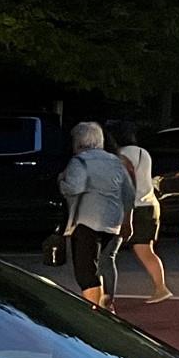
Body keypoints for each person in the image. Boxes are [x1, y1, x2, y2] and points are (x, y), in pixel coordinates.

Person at [57, 122, 136, 308]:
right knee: (103, 264)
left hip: (86, 221)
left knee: (86, 273)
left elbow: (74, 187)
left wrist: (61, 181)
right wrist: (127, 221)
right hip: (113, 221)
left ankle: (94, 311)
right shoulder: (116, 161)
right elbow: (129, 194)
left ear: (78, 141)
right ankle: (106, 303)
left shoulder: (80, 161)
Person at [105, 119, 172, 304]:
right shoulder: (144, 153)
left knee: (136, 249)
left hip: (136, 206)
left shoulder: (120, 155)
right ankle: (160, 287)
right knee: (146, 248)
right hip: (151, 203)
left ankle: (161, 288)